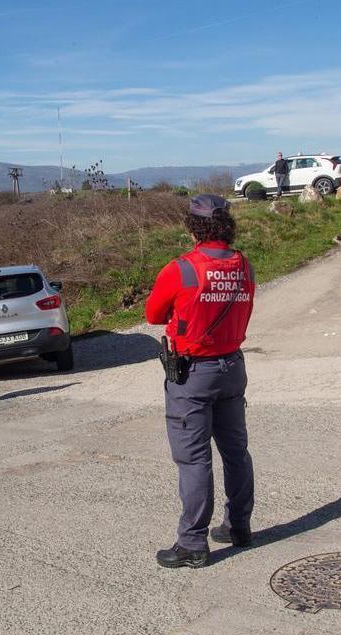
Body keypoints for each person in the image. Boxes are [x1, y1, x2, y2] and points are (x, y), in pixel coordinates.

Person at [145, 194, 256, 569]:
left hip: (193, 374)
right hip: (233, 367)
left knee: (194, 459)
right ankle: (238, 526)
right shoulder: (245, 266)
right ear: (227, 224)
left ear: (193, 226)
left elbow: (152, 314)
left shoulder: (181, 269)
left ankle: (192, 543)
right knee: (236, 452)